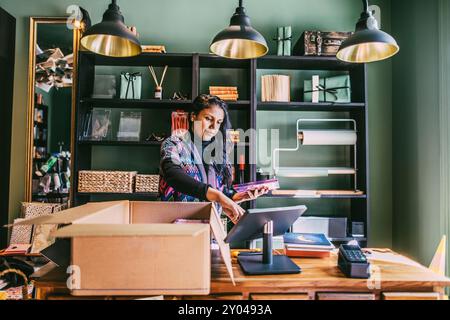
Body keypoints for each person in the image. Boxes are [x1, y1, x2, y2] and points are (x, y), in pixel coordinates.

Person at [158, 94, 268, 223]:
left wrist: (235, 196)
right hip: (176, 229)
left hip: (210, 229)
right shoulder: (174, 143)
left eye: (219, 122)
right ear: (193, 116)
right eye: (209, 119)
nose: (214, 127)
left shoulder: (219, 152)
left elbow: (220, 191)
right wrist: (218, 196)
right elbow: (173, 176)